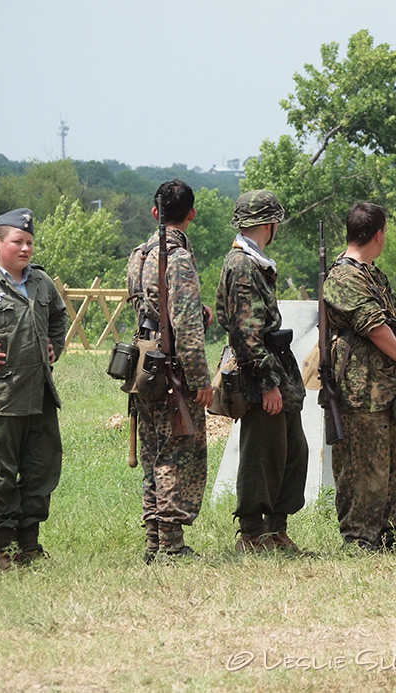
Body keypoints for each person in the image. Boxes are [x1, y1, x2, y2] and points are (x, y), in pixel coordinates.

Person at [0, 208, 67, 570]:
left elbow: (58, 314)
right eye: (17, 242)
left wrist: (55, 345)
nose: (25, 249)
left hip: (39, 397)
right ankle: (5, 549)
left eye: (29, 243)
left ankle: (30, 544)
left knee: (42, 471)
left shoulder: (41, 282)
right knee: (2, 475)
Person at [216, 190, 309, 554]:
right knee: (261, 454)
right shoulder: (242, 265)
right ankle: (253, 534)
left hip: (275, 367)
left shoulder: (255, 262)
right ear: (270, 224)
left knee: (291, 451)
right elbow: (244, 331)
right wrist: (269, 384)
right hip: (260, 374)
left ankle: (276, 530)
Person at [323, 202, 396, 552]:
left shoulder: (373, 274)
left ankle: (392, 533)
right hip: (360, 389)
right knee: (364, 467)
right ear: (378, 234)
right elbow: (373, 325)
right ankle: (361, 536)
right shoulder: (343, 277)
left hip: (388, 384)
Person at [127, 180, 212, 561]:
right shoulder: (176, 258)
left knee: (151, 452)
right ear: (191, 214)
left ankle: (152, 540)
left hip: (143, 365)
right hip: (172, 369)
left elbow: (145, 309)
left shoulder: (138, 255)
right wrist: (200, 381)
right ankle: (171, 545)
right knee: (175, 454)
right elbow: (187, 328)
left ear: (154, 213)